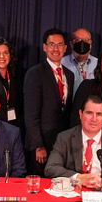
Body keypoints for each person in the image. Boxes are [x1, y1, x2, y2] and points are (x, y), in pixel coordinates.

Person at [45, 95, 102, 189]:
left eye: (99, 114)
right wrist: (79, 178)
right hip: (75, 190)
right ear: (80, 114)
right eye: (89, 113)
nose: (94, 119)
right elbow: (51, 168)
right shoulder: (65, 138)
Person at [24, 28, 74, 176]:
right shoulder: (35, 73)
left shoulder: (69, 75)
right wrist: (38, 146)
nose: (55, 49)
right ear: (44, 47)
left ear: (65, 48)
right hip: (41, 146)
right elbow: (30, 114)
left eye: (60, 45)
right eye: (51, 44)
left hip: (61, 144)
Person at [61, 28, 98, 97]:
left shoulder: (98, 64)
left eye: (86, 40)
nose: (82, 43)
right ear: (71, 44)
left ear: (90, 44)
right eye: (77, 40)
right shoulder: (62, 63)